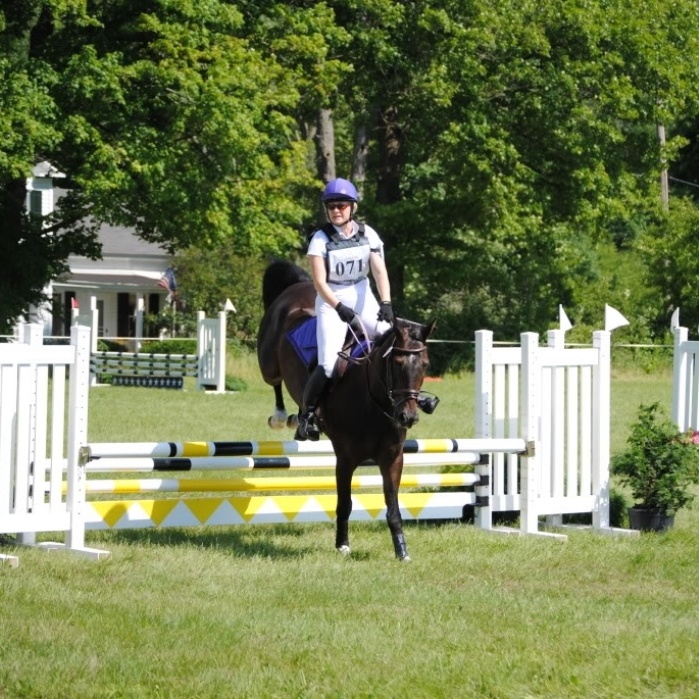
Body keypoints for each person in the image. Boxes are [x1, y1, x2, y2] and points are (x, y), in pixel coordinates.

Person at [295, 177, 394, 441]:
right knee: (328, 363)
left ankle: (402, 400)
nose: (336, 210)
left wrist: (386, 302)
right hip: (331, 297)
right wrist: (339, 307)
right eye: (331, 206)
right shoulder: (320, 239)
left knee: (391, 340)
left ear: (353, 207)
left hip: (362, 293)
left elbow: (379, 270)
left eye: (341, 205)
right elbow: (318, 281)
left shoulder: (367, 233)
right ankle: (307, 416)